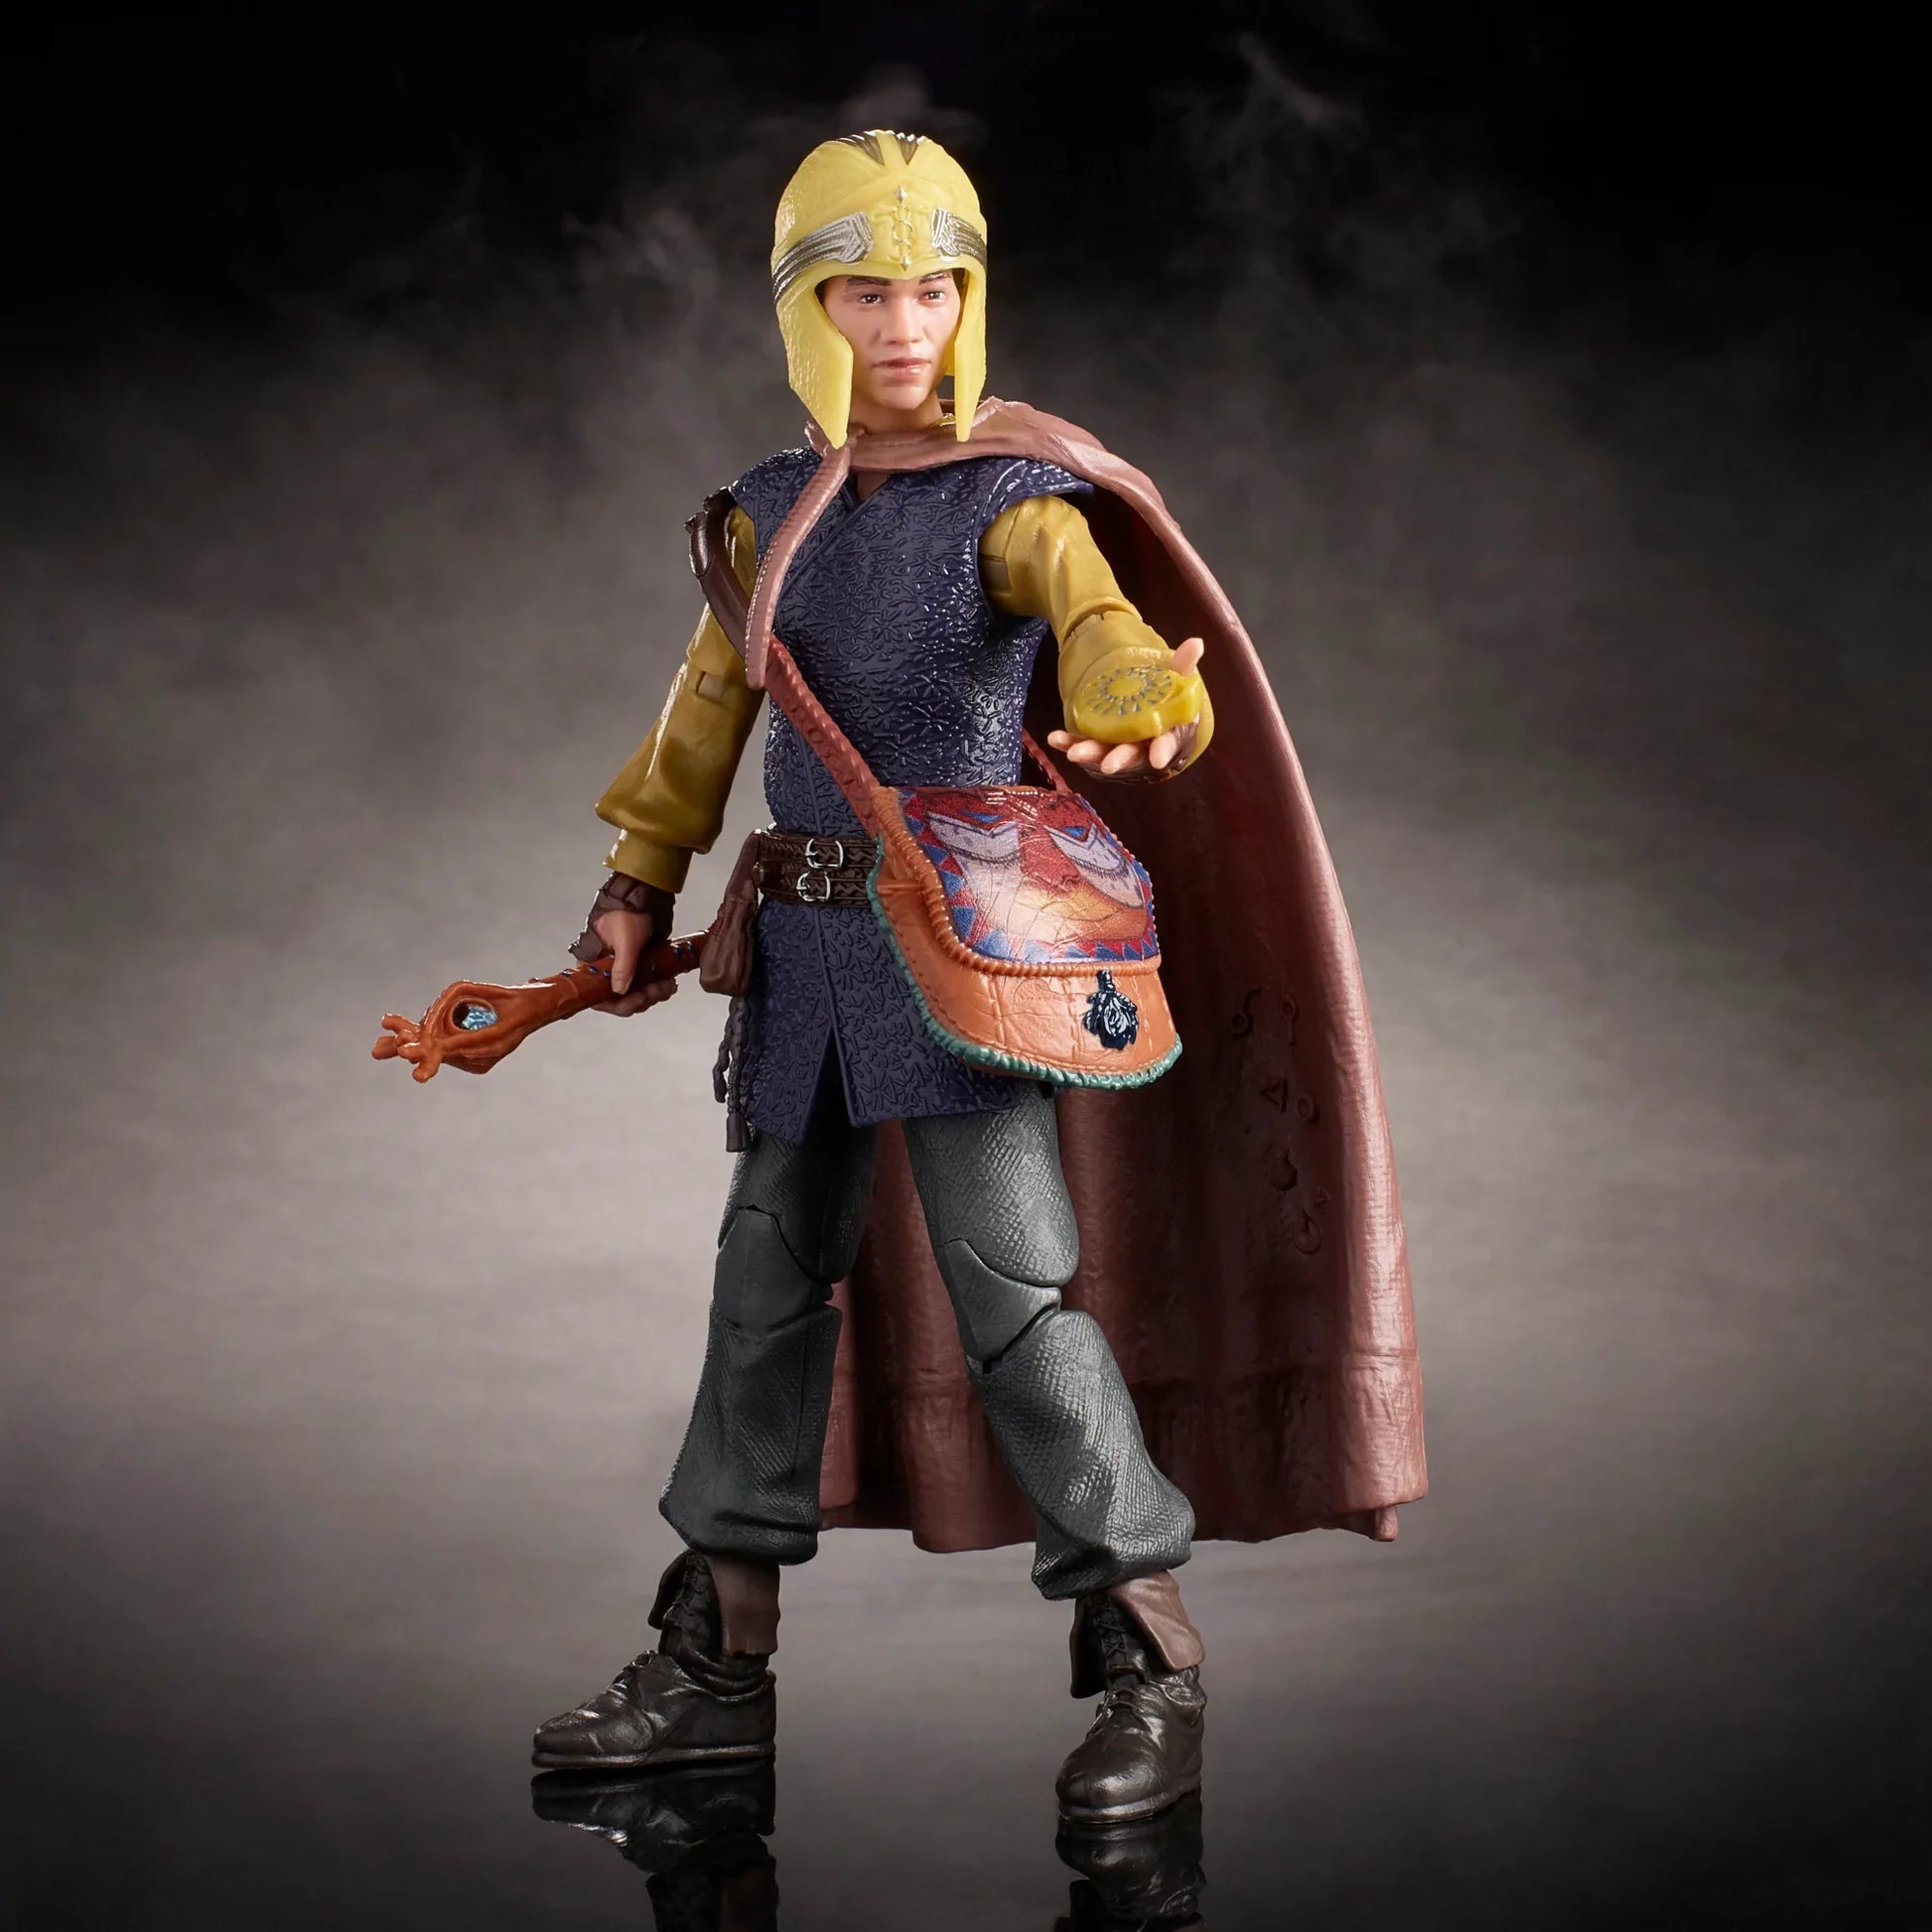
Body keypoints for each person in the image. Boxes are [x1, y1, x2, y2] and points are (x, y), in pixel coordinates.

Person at [531, 130, 1424, 1827]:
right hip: (801, 956)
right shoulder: (765, 513)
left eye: (933, 288)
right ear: (804, 309)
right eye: (864, 292)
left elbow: (1098, 624)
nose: (903, 325)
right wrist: (634, 884)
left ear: (972, 298)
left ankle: (1145, 1650)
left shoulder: (1013, 500)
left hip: (956, 957)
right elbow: (703, 716)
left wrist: (1145, 692)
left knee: (1015, 1297)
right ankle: (713, 1656)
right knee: (760, 1295)